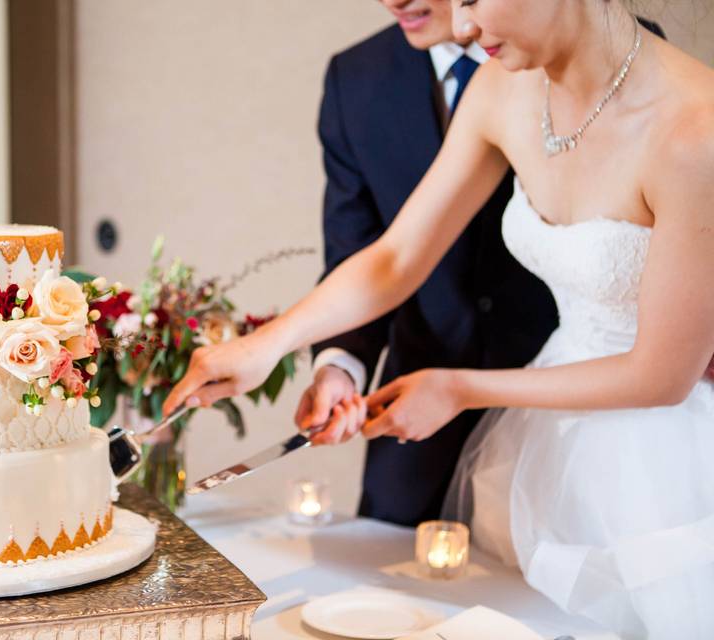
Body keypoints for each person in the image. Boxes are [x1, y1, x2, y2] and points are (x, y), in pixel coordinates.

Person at [165, 0, 714, 635]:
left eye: (474, 0)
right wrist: (266, 345)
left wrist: (458, 387)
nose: (459, 28)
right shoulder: (500, 88)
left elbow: (660, 377)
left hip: (665, 460)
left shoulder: (693, 130)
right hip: (549, 441)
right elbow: (396, 257)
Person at [299, 0, 558, 527]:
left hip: (563, 400)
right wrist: (338, 366)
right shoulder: (356, 77)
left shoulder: (591, 56)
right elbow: (363, 252)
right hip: (413, 406)